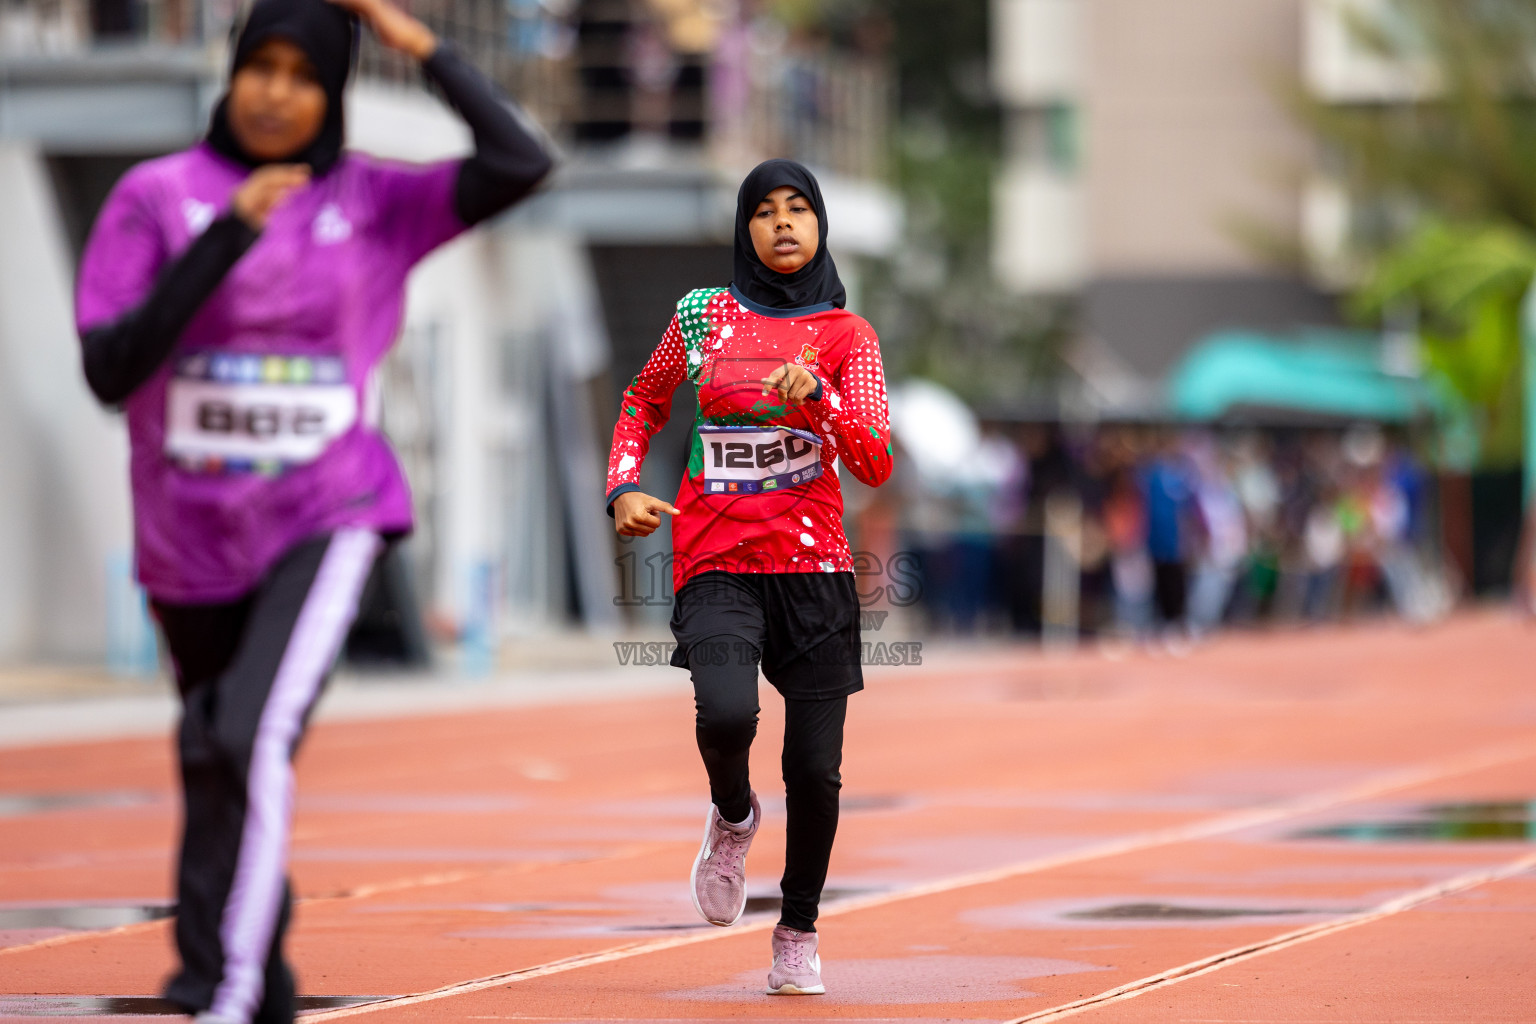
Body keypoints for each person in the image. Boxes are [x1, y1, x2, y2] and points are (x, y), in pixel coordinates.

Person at [73, 0, 552, 1019]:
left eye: (303, 73)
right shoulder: (155, 198)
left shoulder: (375, 198)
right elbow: (112, 369)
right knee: (209, 742)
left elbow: (519, 161)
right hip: (187, 531)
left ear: (331, 91)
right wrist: (228, 232)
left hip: (326, 512)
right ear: (232, 73)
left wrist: (420, 45)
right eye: (261, 67)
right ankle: (235, 971)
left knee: (251, 732)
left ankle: (233, 994)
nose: (278, 91)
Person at [605, 159, 892, 996]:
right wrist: (623, 483)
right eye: (764, 211)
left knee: (814, 770)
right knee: (727, 713)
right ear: (746, 228)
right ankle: (733, 815)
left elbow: (874, 459)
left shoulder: (848, 336)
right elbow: (642, 399)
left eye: (798, 208)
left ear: (820, 224)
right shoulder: (703, 314)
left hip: (815, 570)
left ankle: (797, 929)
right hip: (715, 558)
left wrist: (819, 403)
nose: (782, 224)